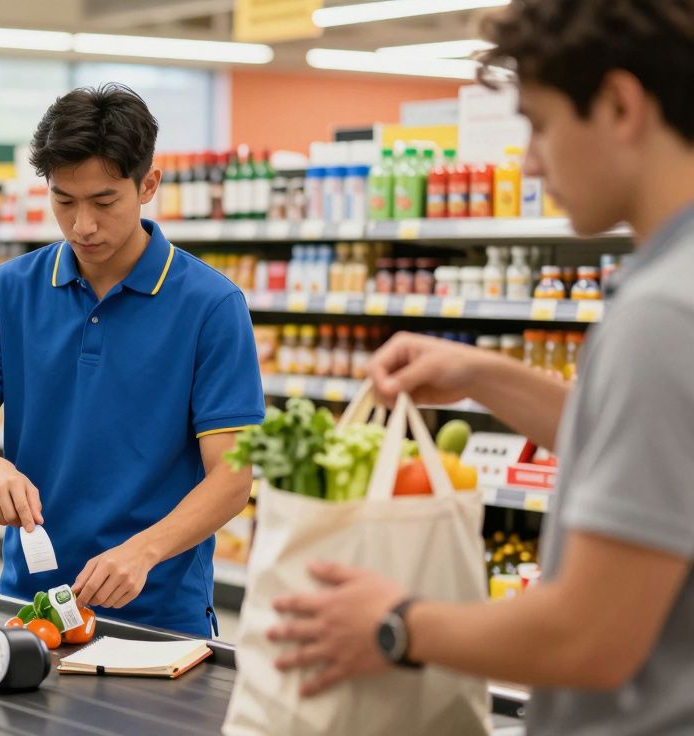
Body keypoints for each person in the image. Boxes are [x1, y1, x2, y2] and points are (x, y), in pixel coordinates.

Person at [267, 2, 694, 733]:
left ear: (621, 105)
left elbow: (590, 637)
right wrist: (482, 374)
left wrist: (397, 623)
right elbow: (648, 449)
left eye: (540, 123)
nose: (530, 160)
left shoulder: (662, 316)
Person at [0, 85, 264, 637]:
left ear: (149, 185)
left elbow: (231, 478)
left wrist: (143, 551)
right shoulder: (10, 289)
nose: (82, 224)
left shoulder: (212, 306)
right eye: (64, 201)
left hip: (160, 618)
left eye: (104, 202)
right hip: (30, 607)